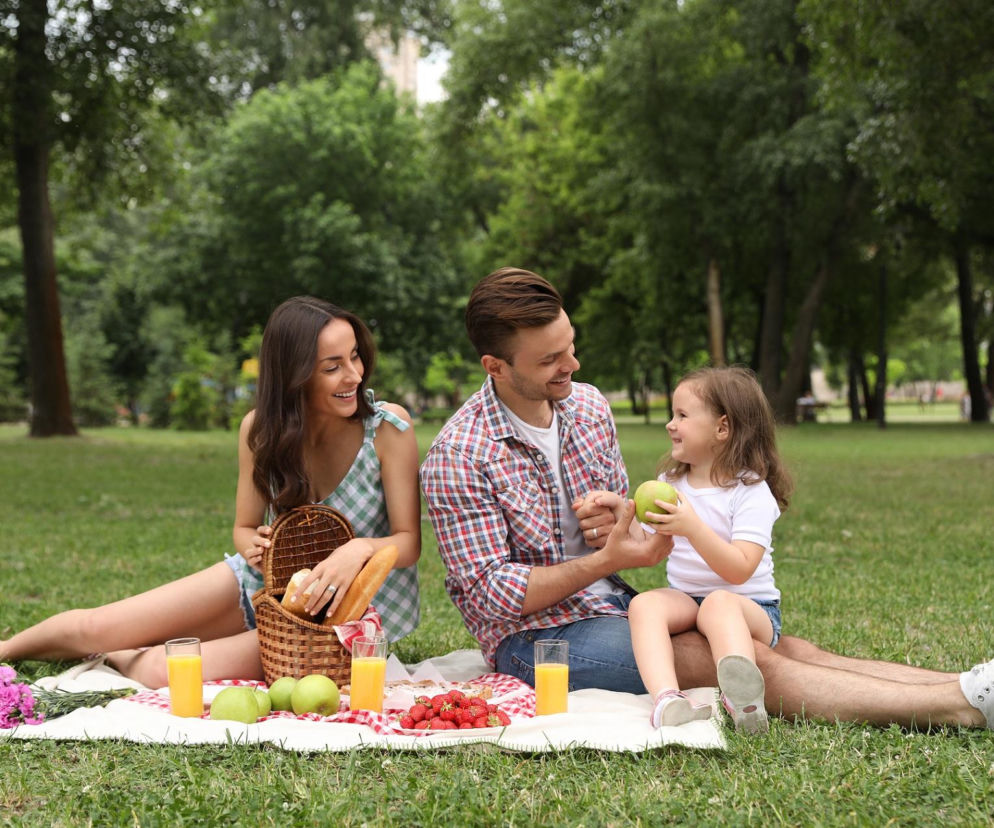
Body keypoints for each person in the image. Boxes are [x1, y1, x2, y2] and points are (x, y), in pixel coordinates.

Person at [421, 266, 994, 732]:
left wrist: (622, 520)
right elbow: (490, 596)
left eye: (569, 346)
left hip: (616, 604)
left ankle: (964, 685)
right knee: (739, 660)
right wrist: (605, 560)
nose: (572, 365)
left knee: (788, 648)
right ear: (495, 367)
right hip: (536, 638)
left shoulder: (588, 407)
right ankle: (957, 707)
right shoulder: (458, 454)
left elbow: (629, 524)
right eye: (550, 360)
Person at [0, 296, 421, 688]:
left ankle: (118, 654)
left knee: (161, 668)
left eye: (355, 356)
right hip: (262, 586)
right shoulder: (262, 430)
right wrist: (255, 546)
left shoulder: (387, 429)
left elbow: (408, 543)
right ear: (294, 375)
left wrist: (358, 549)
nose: (354, 375)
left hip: (340, 622)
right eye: (332, 367)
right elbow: (243, 528)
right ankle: (8, 650)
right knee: (94, 627)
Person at [628, 366, 791, 733]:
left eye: (682, 415)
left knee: (719, 602)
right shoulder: (670, 483)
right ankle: (667, 699)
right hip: (688, 600)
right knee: (645, 604)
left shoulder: (750, 491)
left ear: (722, 428)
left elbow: (739, 569)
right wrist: (618, 513)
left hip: (750, 606)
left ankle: (744, 702)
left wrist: (692, 527)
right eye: (672, 414)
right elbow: (640, 540)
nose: (670, 424)